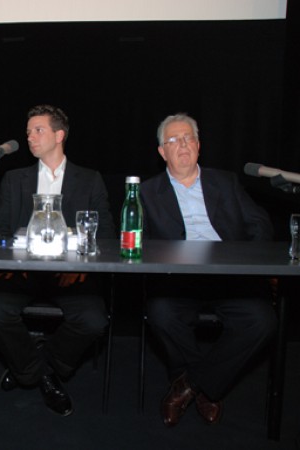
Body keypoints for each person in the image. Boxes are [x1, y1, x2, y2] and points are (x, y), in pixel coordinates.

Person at [140, 112, 277, 427]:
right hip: (178, 280)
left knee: (262, 320)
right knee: (161, 312)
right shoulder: (146, 192)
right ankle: (206, 387)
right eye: (173, 140)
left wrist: (253, 263)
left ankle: (189, 386)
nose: (182, 144)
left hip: (231, 276)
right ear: (162, 152)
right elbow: (139, 242)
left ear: (199, 146)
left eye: (188, 138)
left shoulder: (225, 181)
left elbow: (259, 223)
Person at [0, 104, 115, 416]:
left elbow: (106, 234)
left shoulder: (89, 179)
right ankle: (39, 374)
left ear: (59, 135)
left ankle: (41, 365)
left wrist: (79, 265)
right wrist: (12, 262)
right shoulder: (15, 179)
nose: (30, 137)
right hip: (23, 270)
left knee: (94, 320)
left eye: (38, 130)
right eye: (28, 132)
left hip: (71, 272)